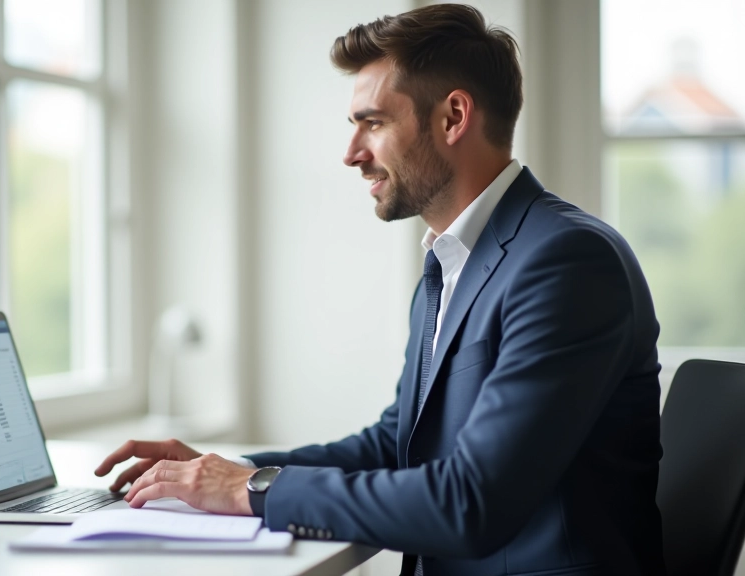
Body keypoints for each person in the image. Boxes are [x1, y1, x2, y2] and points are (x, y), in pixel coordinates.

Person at [94, 4, 665, 575]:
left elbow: (471, 502)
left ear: (452, 117)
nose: (352, 154)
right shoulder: (450, 264)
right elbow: (397, 445)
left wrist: (252, 489)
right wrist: (223, 469)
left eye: (374, 122)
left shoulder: (566, 262)